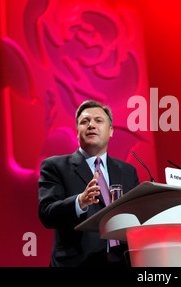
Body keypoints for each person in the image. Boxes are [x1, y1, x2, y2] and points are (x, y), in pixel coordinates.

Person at [38, 100, 140, 267]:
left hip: (122, 261)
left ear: (111, 131)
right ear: (77, 131)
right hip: (77, 263)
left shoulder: (128, 171)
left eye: (98, 121)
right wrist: (80, 201)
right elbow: (47, 214)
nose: (91, 125)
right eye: (85, 121)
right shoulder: (55, 166)